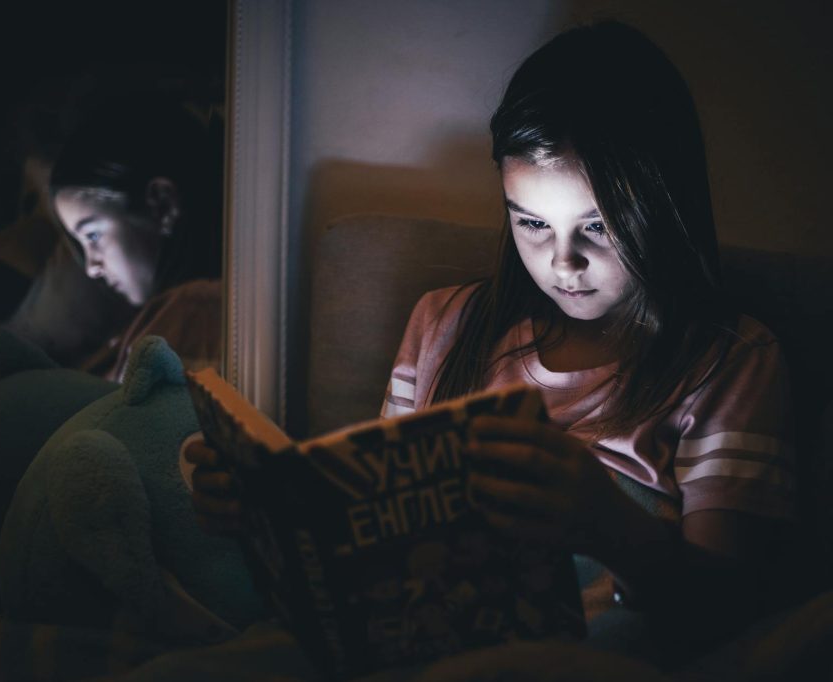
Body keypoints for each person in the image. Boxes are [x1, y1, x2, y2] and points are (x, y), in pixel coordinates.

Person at [187, 21, 795, 669]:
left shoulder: (727, 361)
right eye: (532, 223)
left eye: (599, 225)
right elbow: (373, 536)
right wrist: (264, 517)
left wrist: (607, 523)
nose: (565, 262)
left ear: (664, 201)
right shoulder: (445, 326)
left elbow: (731, 614)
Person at [49, 96, 225, 380]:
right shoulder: (162, 318)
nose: (91, 267)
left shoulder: (193, 316)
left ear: (162, 204)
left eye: (92, 235)